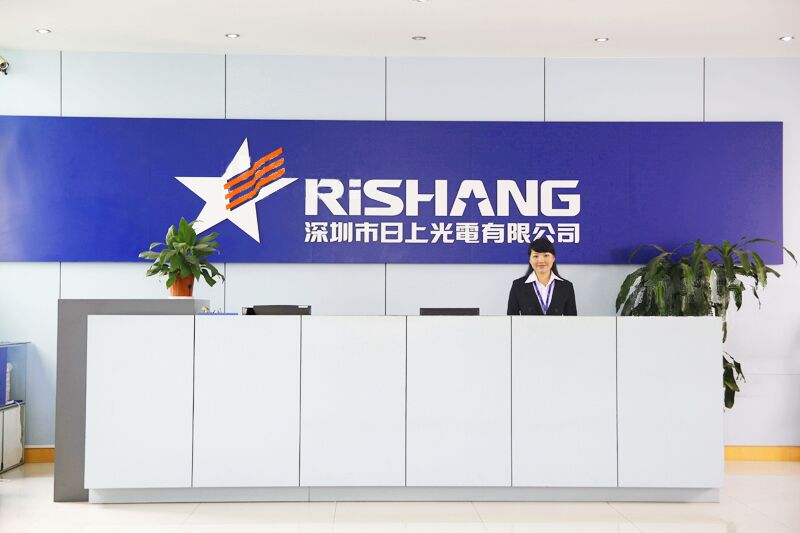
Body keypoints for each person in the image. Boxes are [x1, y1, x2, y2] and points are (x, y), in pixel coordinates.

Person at [507, 238, 577, 316]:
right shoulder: (518, 286)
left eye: (546, 255)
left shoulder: (566, 287)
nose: (541, 260)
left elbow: (572, 320)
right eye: (536, 256)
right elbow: (511, 319)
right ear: (530, 259)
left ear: (553, 258)